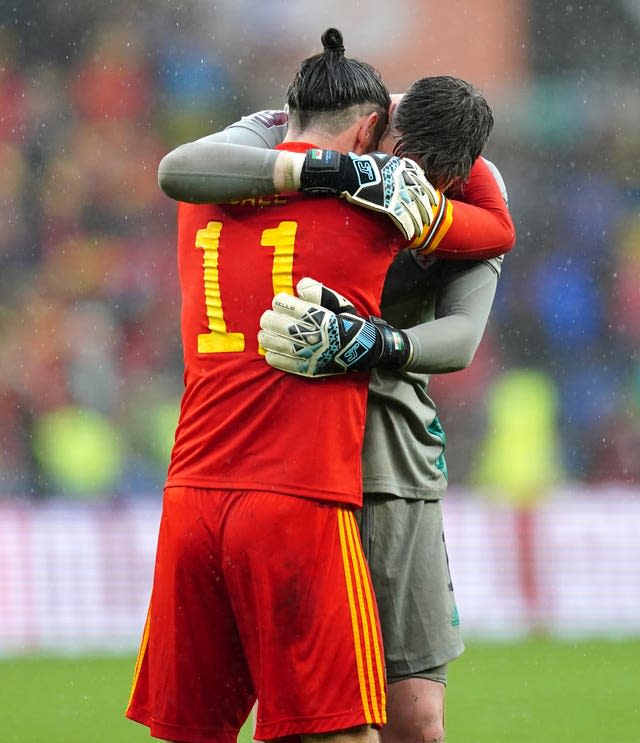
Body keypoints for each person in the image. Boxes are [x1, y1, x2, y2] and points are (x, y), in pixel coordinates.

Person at [158, 74, 514, 743]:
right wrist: (329, 171)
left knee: (414, 719)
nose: (410, 182)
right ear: (381, 122)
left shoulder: (469, 183)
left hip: (388, 451)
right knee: (313, 716)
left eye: (436, 181)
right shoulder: (295, 127)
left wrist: (374, 340)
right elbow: (182, 169)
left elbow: (462, 335)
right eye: (402, 161)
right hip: (287, 444)